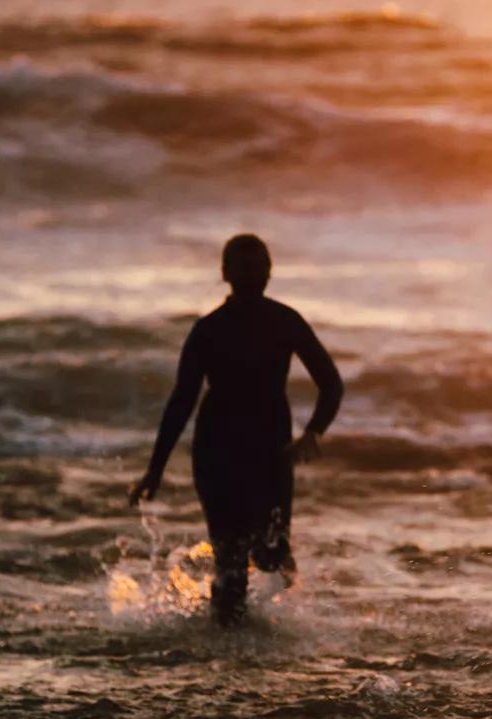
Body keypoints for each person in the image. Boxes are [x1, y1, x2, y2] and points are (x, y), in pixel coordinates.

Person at [131, 234, 343, 625]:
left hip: (270, 453)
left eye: (257, 265)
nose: (251, 273)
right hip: (217, 453)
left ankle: (250, 629)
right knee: (230, 563)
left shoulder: (284, 321)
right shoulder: (209, 329)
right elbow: (181, 402)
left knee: (271, 555)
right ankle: (229, 649)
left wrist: (314, 432)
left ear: (269, 272)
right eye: (243, 266)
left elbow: (330, 382)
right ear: (225, 273)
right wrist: (155, 469)